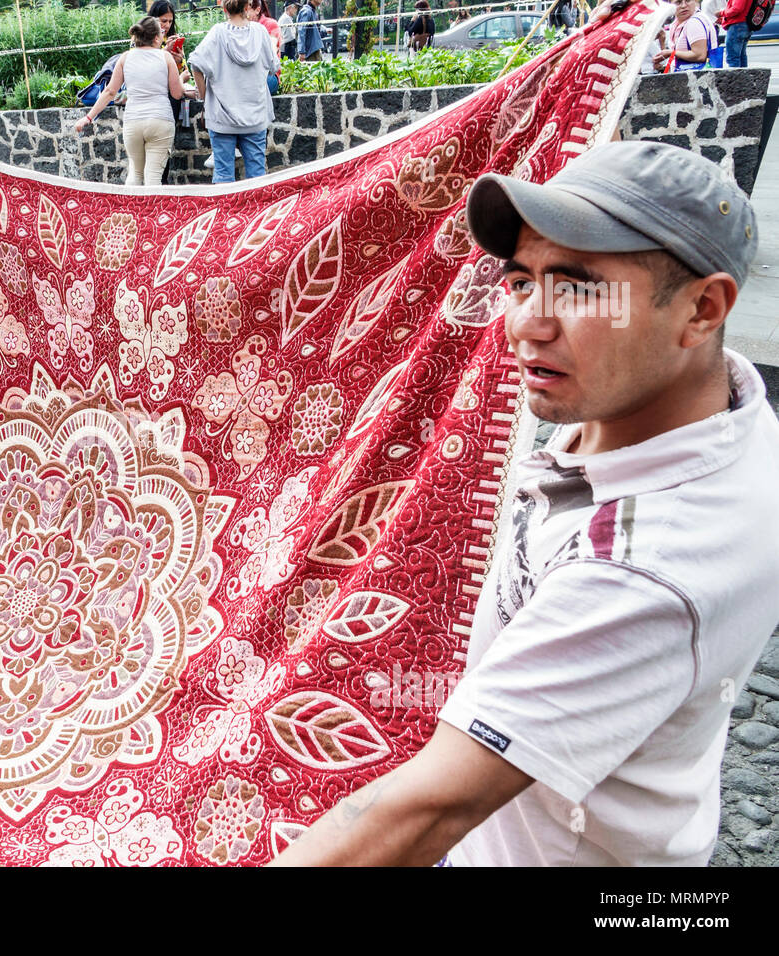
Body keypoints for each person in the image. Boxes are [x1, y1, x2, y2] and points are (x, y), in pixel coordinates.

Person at [273, 141, 779, 867]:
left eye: (576, 289)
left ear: (702, 309)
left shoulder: (644, 565)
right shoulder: (711, 403)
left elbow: (427, 811)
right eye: (521, 282)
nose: (524, 325)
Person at [75, 16, 186, 186]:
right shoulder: (166, 58)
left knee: (135, 174)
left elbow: (110, 91)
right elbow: (177, 93)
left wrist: (88, 117)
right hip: (160, 120)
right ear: (157, 38)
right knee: (153, 178)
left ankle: (131, 212)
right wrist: (183, 78)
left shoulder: (125, 58)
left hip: (133, 121)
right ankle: (151, 213)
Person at [190, 0, 278, 183]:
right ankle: (257, 211)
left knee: (223, 175)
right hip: (255, 114)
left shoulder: (217, 33)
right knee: (257, 176)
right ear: (247, 7)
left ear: (224, 9)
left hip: (222, 116)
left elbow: (196, 65)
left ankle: (224, 212)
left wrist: (205, 96)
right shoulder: (261, 32)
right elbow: (273, 67)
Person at [148, 0, 189, 185]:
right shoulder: (142, 39)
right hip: (150, 98)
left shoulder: (173, 40)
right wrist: (164, 52)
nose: (166, 25)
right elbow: (144, 68)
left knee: (164, 145)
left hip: (170, 98)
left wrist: (179, 60)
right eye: (163, 21)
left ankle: (161, 182)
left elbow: (184, 75)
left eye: (170, 21)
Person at [652, 0, 719, 71]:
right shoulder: (677, 23)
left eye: (688, 0)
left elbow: (700, 55)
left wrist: (671, 53)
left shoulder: (694, 22)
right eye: (678, 2)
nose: (684, 6)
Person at [248, 0, 284, 94]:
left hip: (269, 75)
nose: (244, 14)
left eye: (247, 10)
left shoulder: (271, 24)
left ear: (257, 10)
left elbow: (271, 57)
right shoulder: (243, 26)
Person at [718, 0, 755, 67]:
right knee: (741, 56)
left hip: (737, 25)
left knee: (733, 57)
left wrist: (721, 13)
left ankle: (735, 77)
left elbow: (736, 9)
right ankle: (743, 76)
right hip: (746, 24)